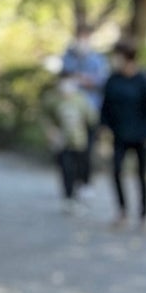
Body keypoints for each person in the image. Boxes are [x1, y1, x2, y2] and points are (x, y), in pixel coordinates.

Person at [99, 38, 146, 228]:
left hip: (141, 134)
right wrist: (103, 128)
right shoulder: (113, 79)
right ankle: (122, 210)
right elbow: (106, 107)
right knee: (116, 171)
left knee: (142, 175)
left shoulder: (144, 80)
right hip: (119, 134)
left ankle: (144, 214)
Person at [60, 23, 109, 186]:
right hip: (71, 112)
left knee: (87, 149)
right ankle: (72, 183)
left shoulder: (98, 59)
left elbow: (102, 81)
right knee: (71, 150)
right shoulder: (68, 57)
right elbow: (64, 78)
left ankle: (85, 181)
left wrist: (84, 80)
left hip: (91, 111)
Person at [41, 74, 95, 206]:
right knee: (66, 168)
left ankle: (80, 189)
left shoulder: (81, 99)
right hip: (62, 142)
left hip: (79, 141)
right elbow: (45, 117)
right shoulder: (52, 99)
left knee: (80, 167)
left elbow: (91, 119)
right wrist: (51, 131)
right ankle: (68, 196)